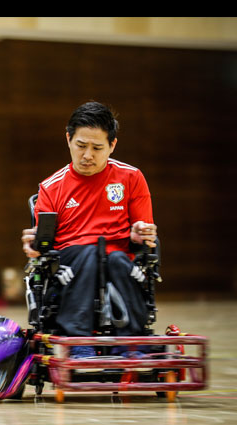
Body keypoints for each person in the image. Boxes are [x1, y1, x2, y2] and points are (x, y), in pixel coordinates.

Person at [21, 102, 157, 358]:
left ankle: (131, 344)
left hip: (118, 257)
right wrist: (34, 245)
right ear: (68, 139)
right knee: (88, 255)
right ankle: (77, 342)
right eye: (81, 146)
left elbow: (145, 232)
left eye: (97, 148)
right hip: (72, 261)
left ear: (112, 146)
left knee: (115, 259)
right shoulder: (51, 187)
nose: (87, 155)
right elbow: (43, 243)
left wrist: (141, 234)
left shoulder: (131, 178)